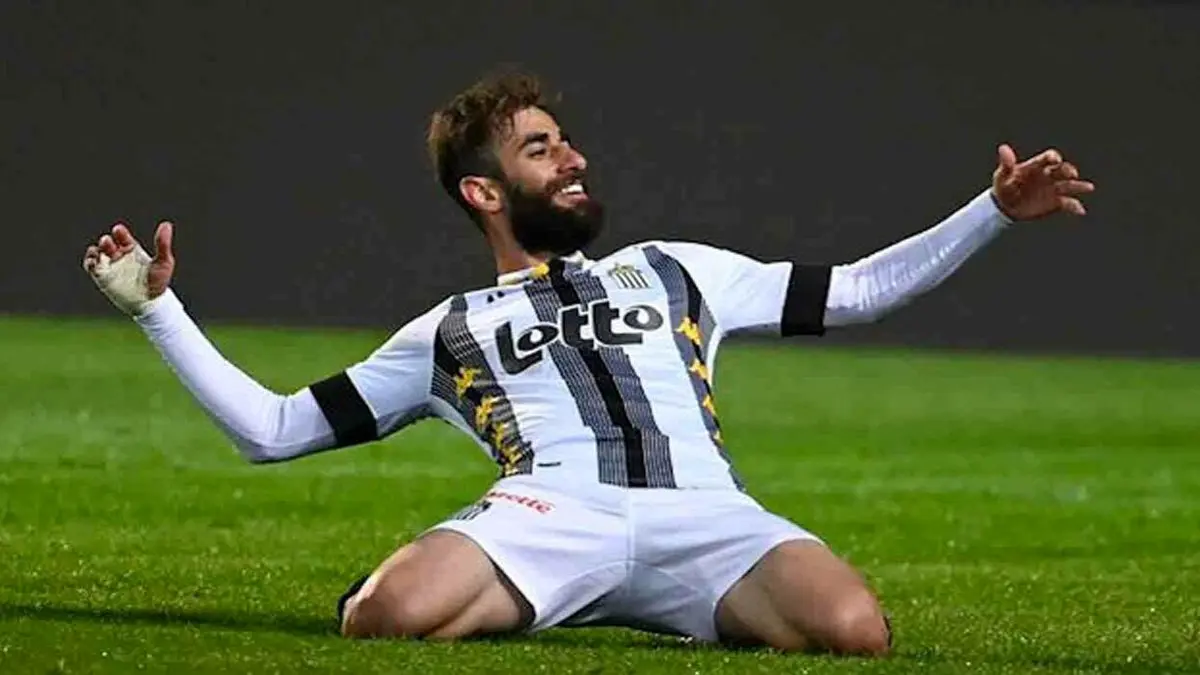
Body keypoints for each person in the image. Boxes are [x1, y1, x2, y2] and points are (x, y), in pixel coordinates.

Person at [81, 69, 1094, 656]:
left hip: (707, 517)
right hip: (547, 517)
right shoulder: (449, 330)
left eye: (565, 141)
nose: (571, 158)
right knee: (386, 616)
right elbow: (274, 431)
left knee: (855, 630)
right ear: (484, 193)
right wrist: (159, 310)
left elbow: (859, 290)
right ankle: (448, 579)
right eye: (539, 149)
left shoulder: (676, 268)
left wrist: (993, 212)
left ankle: (657, 598)